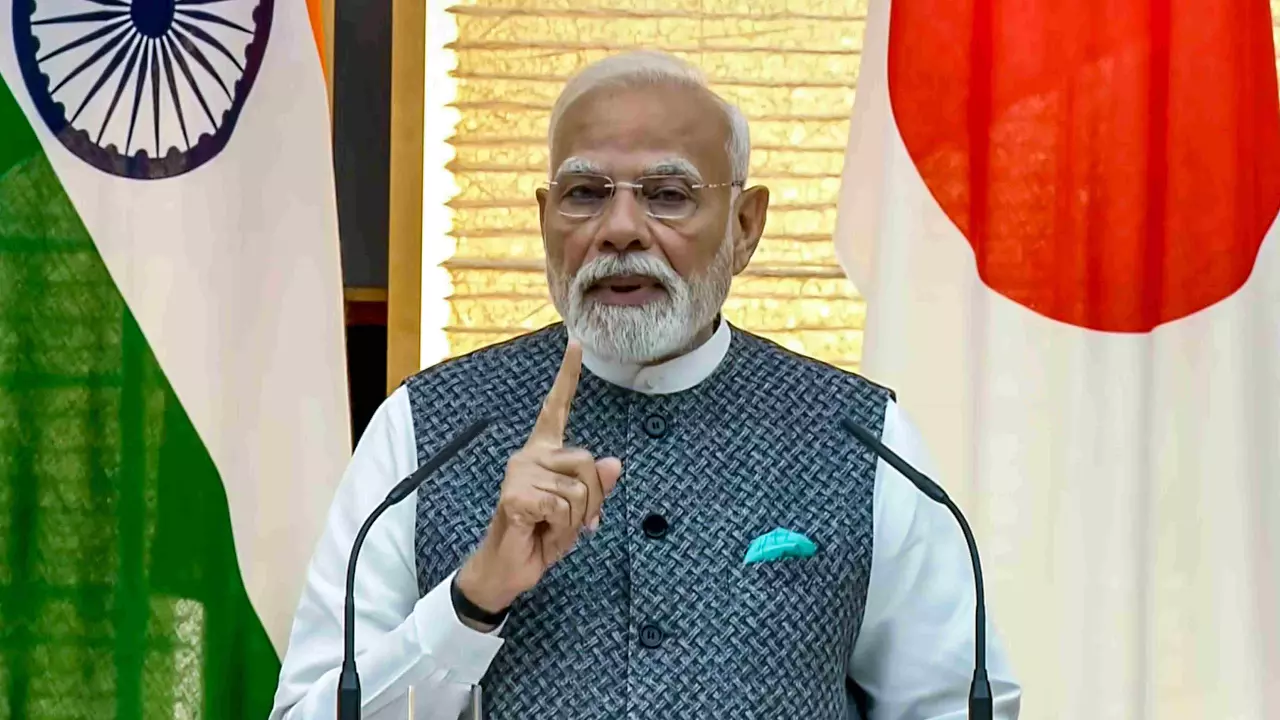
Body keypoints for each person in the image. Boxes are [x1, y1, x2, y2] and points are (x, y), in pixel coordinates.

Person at [270, 50, 1022, 720]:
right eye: (585, 193)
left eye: (667, 193)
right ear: (545, 220)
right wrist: (472, 601)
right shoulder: (427, 431)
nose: (620, 227)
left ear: (745, 225)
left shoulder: (860, 440)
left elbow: (950, 702)